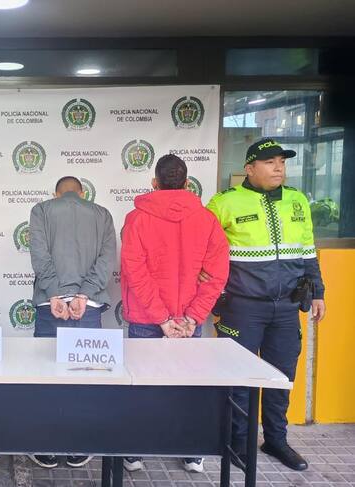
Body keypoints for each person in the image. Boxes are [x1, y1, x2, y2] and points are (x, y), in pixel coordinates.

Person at [207, 138, 326, 471]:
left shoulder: (297, 200)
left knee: (281, 376)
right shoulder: (224, 203)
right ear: (250, 168)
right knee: (238, 376)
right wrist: (212, 296)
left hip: (287, 307)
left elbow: (307, 250)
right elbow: (207, 254)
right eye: (270, 162)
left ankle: (276, 440)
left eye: (282, 162)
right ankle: (238, 441)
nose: (278, 168)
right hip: (242, 307)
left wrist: (318, 291)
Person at [120, 154, 229, 474]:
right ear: (186, 183)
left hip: (147, 318)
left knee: (141, 386)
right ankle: (192, 451)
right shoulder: (207, 220)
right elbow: (217, 275)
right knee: (188, 386)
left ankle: (134, 451)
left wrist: (161, 318)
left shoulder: (136, 219)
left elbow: (135, 271)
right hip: (187, 322)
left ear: (154, 183)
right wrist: (192, 318)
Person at [28, 176, 117, 469]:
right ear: (82, 193)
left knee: (46, 377)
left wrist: (55, 292)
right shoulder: (102, 214)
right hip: (87, 306)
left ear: (56, 194)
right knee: (85, 378)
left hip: (50, 304)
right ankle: (79, 444)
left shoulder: (41, 210)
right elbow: (106, 260)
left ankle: (46, 446)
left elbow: (39, 256)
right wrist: (84, 293)